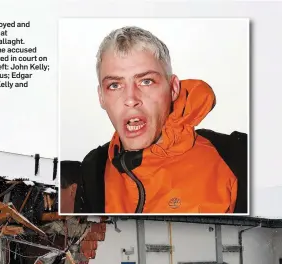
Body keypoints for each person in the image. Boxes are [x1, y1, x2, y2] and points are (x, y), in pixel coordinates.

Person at [73, 26, 247, 214]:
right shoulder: (93, 171)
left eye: (146, 81)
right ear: (101, 97)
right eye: (115, 85)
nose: (131, 99)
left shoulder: (235, 156)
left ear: (173, 89)